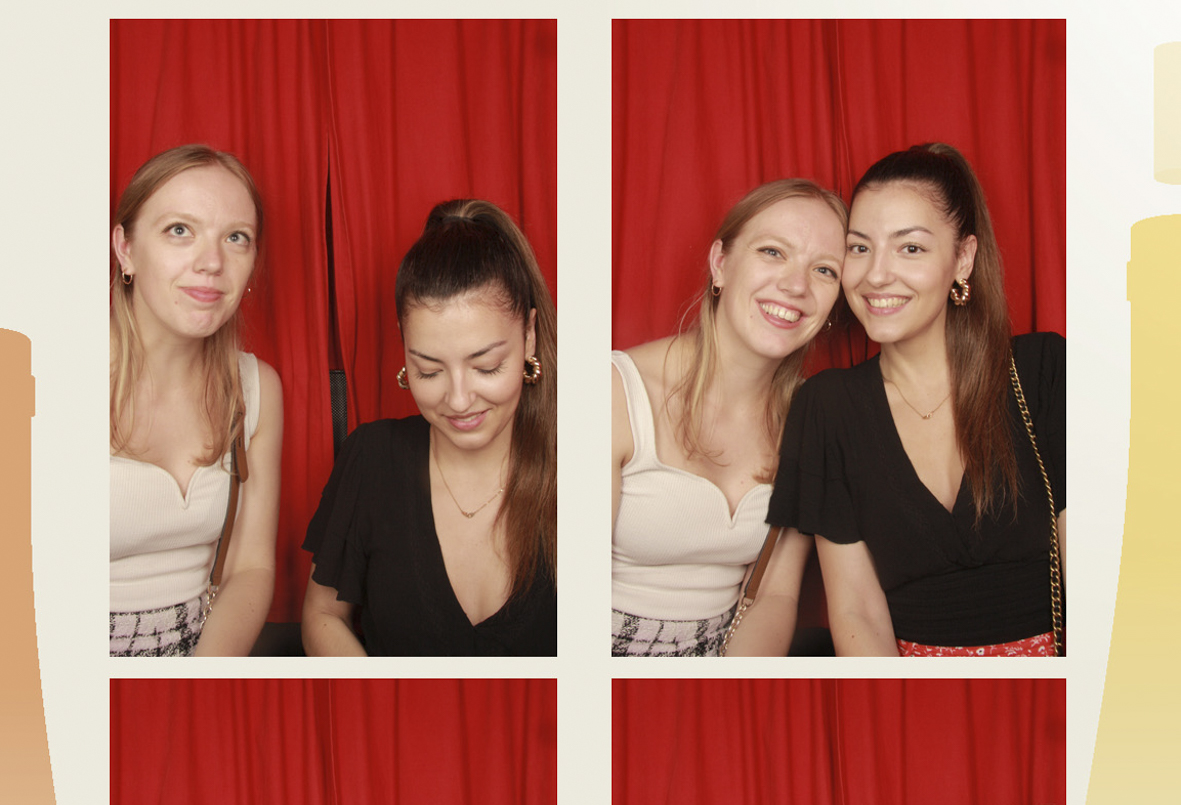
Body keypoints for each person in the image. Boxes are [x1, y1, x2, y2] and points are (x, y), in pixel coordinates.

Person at [754, 143, 1065, 657]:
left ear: (963, 258)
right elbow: (856, 610)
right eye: (859, 248)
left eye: (911, 248)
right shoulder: (829, 407)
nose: (876, 274)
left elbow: (1097, 571)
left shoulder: (1044, 370)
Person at [302, 201, 556, 657]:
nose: (458, 400)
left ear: (530, 337)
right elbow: (323, 615)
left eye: (486, 366)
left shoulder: (583, 461)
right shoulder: (372, 458)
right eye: (430, 370)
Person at [612, 180, 847, 657]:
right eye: (773, 252)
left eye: (824, 269)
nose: (796, 285)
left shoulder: (811, 420)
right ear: (720, 264)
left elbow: (775, 596)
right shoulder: (616, 392)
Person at [110, 145, 283, 656]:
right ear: (125, 249)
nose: (212, 263)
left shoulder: (256, 389)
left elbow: (251, 567)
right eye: (180, 230)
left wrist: (199, 678)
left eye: (236, 237)